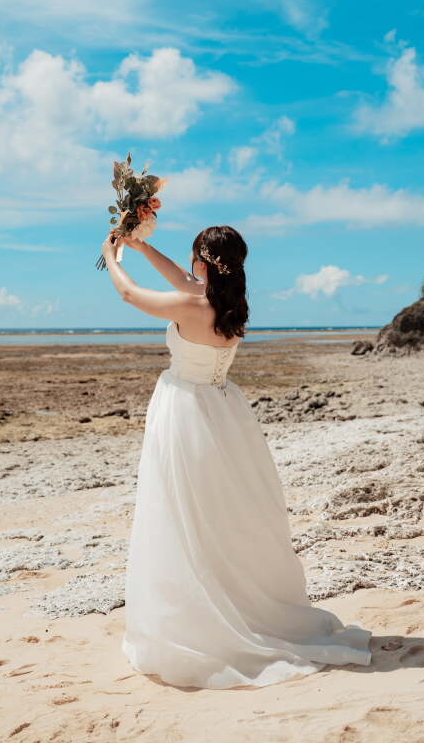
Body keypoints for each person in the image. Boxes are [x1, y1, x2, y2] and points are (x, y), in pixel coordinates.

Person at [100, 223, 372, 690]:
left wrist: (112, 256)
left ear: (203, 262)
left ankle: (201, 620)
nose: (187, 266)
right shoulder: (227, 303)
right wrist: (140, 245)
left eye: (193, 258)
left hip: (186, 412)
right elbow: (180, 279)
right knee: (217, 514)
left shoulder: (194, 303)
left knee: (184, 513)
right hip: (221, 411)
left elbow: (130, 296)